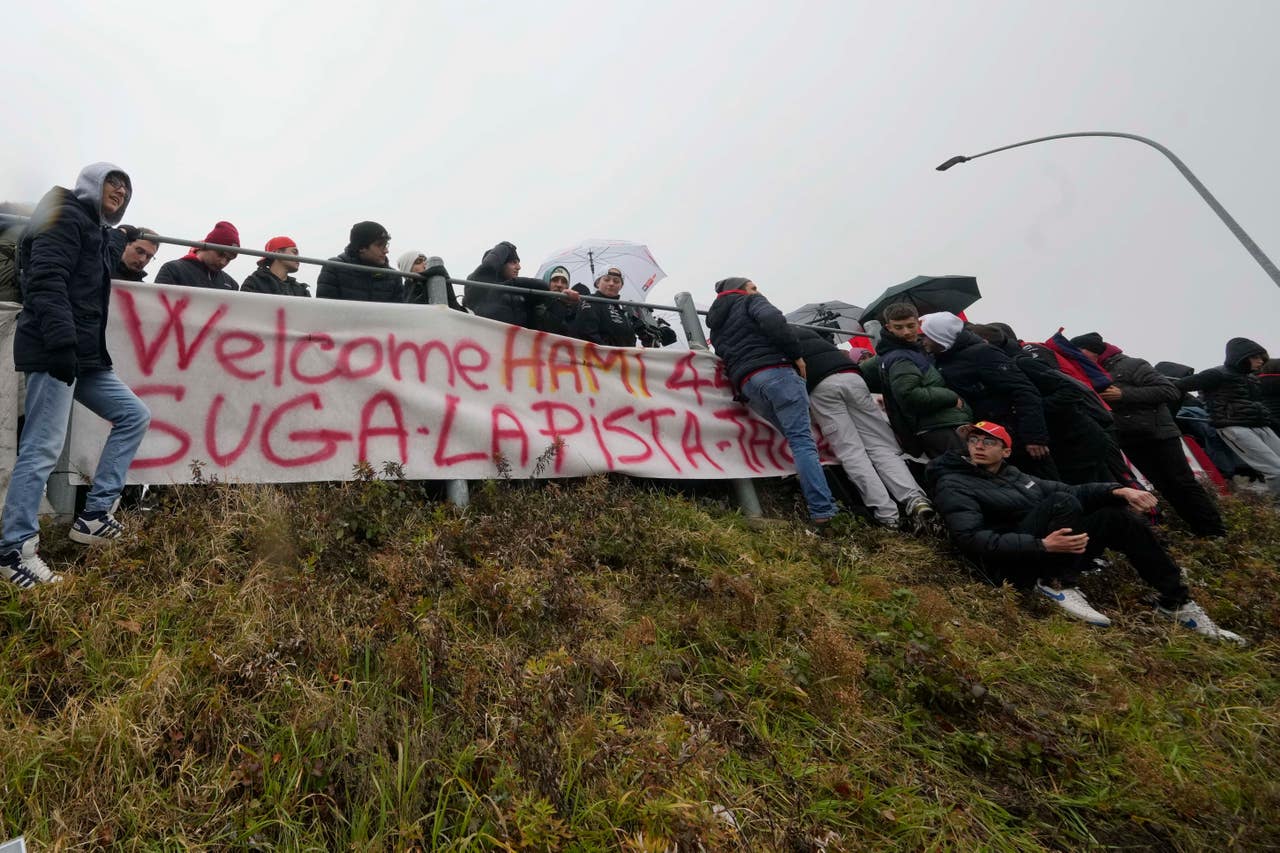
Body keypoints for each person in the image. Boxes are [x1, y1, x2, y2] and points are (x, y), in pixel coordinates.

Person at [928, 421, 1244, 644]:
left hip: (1048, 550)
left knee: (1116, 516)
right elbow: (969, 539)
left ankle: (1175, 602)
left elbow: (1074, 490)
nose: (979, 446)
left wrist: (1119, 490)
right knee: (1060, 503)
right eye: (973, 440)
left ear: (1006, 451)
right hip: (1012, 566)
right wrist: (1041, 545)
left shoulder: (1016, 476)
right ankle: (1056, 584)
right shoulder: (954, 481)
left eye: (989, 441)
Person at [1, 163, 152, 588]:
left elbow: (91, 277)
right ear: (90, 183)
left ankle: (94, 515)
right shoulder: (64, 214)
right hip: (56, 349)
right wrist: (62, 344)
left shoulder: (92, 227)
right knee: (42, 447)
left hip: (83, 357)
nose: (120, 190)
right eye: (113, 181)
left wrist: (118, 236)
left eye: (126, 187)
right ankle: (15, 551)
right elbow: (46, 279)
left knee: (133, 415)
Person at [706, 278, 838, 528]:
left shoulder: (717, 325)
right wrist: (797, 355)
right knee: (801, 440)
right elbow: (774, 321)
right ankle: (823, 510)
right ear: (742, 290)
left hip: (748, 383)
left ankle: (810, 488)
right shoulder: (751, 301)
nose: (758, 291)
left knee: (793, 438)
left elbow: (721, 354)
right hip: (776, 371)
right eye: (753, 287)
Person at [1070, 333, 1226, 538]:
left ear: (1093, 350)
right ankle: (1198, 531)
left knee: (1183, 483)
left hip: (1160, 434)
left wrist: (1123, 395)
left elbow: (1168, 391)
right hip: (1128, 439)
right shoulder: (1086, 374)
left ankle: (1215, 532)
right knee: (1165, 488)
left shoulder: (1132, 364)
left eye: (1079, 352)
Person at [796, 327, 937, 530]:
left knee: (851, 452)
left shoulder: (769, 339)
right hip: (852, 376)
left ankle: (888, 515)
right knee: (881, 446)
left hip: (821, 386)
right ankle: (915, 499)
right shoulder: (807, 333)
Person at [973, 323, 1127, 486]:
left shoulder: (1023, 362)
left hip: (1079, 440)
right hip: (1066, 443)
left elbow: (1070, 391)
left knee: (1105, 493)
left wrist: (1032, 407)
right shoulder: (1003, 367)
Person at [919, 312, 1056, 478]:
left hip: (1017, 438)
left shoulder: (982, 353)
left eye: (926, 336)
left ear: (939, 336)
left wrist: (1034, 437)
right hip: (987, 441)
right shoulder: (939, 360)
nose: (923, 340)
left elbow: (1023, 390)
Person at [1177, 338, 1280, 496]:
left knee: (1276, 469)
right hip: (1234, 427)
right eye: (1256, 357)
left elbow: (1257, 404)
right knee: (1275, 470)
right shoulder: (1216, 374)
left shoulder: (1251, 378)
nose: (1260, 361)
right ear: (1242, 356)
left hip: (1259, 424)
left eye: (1262, 358)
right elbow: (1179, 386)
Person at [872, 303, 973, 458]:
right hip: (940, 428)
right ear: (888, 327)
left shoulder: (908, 351)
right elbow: (909, 394)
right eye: (899, 327)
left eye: (910, 326)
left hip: (940, 426)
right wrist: (951, 397)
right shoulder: (900, 357)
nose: (906, 332)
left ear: (918, 324)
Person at [464, 241, 577, 327]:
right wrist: (506, 246)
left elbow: (543, 288)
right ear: (500, 264)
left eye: (518, 263)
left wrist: (562, 302)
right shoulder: (476, 285)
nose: (518, 267)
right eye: (513, 262)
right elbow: (488, 267)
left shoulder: (521, 293)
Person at [316, 221, 402, 303]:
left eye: (386, 245)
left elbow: (399, 314)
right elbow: (326, 312)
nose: (386, 251)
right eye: (379, 245)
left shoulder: (394, 277)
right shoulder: (334, 268)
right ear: (361, 247)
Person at [154, 221, 240, 290]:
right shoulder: (173, 270)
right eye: (220, 254)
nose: (223, 262)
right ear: (207, 245)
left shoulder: (232, 285)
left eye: (229, 259)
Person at [571, 267, 637, 347]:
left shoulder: (623, 310)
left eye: (616, 281)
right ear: (598, 283)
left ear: (621, 286)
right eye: (606, 280)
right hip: (600, 356)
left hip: (625, 357)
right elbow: (587, 334)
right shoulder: (589, 301)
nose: (611, 283)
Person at [240, 236, 310, 297]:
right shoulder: (254, 283)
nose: (298, 257)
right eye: (294, 252)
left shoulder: (301, 290)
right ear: (278, 253)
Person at [529, 265, 582, 336]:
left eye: (564, 282)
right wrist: (561, 302)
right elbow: (550, 327)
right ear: (547, 281)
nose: (559, 285)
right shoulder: (537, 303)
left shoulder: (573, 308)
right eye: (555, 280)